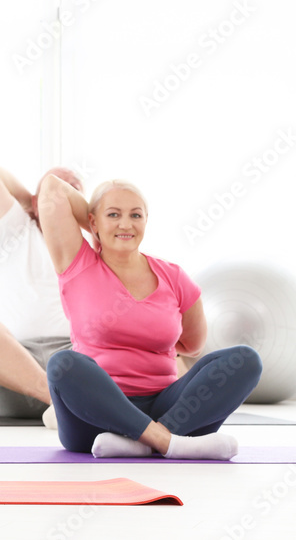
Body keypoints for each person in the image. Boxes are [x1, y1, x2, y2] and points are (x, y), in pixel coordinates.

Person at [38, 175, 262, 459]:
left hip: (169, 408)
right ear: (92, 222)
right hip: (94, 421)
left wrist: (107, 219)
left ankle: (144, 442)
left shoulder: (174, 276)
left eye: (135, 215)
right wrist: (101, 224)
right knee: (63, 364)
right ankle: (166, 442)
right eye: (113, 214)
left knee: (245, 360)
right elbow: (52, 188)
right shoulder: (77, 263)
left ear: (146, 221)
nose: (126, 224)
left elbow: (192, 345)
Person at [0, 162, 82, 425]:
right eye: (53, 191)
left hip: (75, 363)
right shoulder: (16, 231)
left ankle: (68, 405)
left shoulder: (98, 243)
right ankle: (63, 404)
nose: (62, 195)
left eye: (72, 191)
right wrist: (38, 202)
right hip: (12, 370)